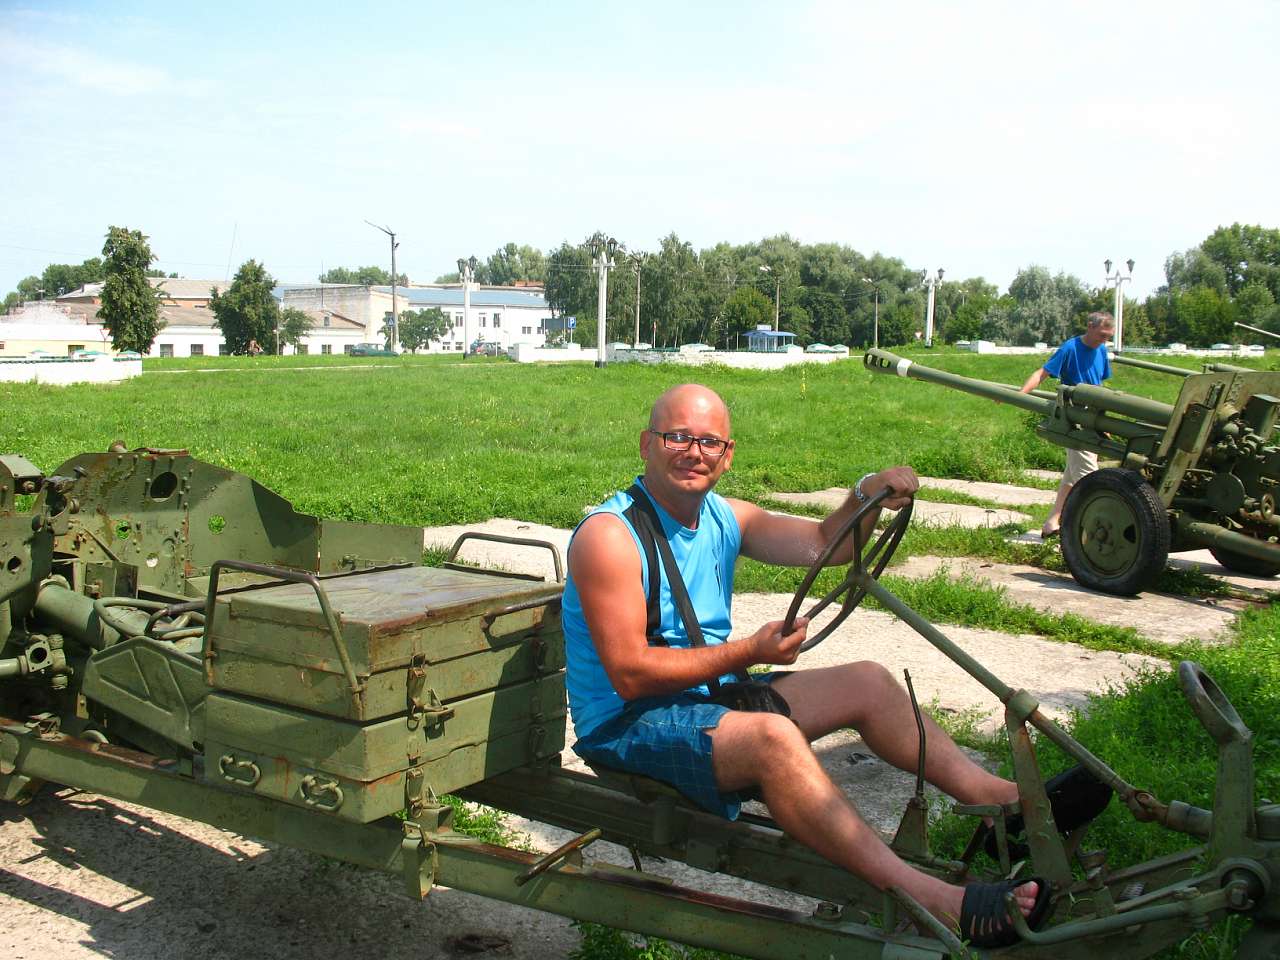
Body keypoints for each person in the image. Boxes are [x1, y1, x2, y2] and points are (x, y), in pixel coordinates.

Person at [562, 384, 1108, 947]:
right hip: (627, 724)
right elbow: (628, 672)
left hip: (706, 699)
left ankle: (1007, 807)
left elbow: (827, 543)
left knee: (868, 682)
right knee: (772, 740)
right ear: (647, 444)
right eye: (677, 437)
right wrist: (748, 651)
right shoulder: (611, 537)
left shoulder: (726, 518)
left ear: (728, 455)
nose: (692, 452)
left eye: (708, 442)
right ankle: (937, 902)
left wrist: (864, 493)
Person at [1019, 312, 1116, 538]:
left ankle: (1053, 522)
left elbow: (1099, 382)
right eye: (1102, 335)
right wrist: (1021, 394)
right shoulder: (1070, 348)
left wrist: (1105, 421)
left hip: (1095, 414)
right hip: (1077, 417)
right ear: (1089, 327)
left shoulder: (1101, 349)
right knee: (1088, 476)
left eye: (1108, 337)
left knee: (1072, 473)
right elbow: (1043, 373)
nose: (1104, 340)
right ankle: (1090, 530)